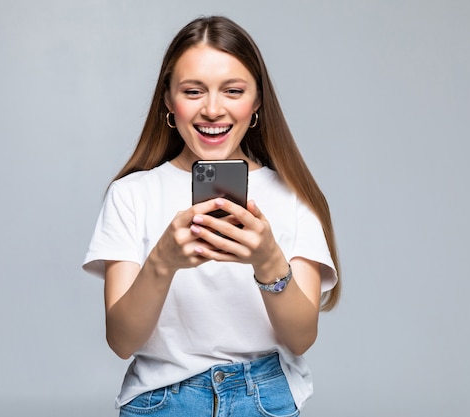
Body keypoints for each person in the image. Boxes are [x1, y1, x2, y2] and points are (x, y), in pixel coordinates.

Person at [83, 15, 340, 416]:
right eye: (193, 91)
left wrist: (268, 261)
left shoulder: (293, 197)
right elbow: (121, 341)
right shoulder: (131, 195)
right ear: (168, 100)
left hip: (264, 399)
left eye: (233, 90)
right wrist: (162, 263)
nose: (213, 109)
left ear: (257, 103)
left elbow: (301, 338)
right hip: (160, 399)